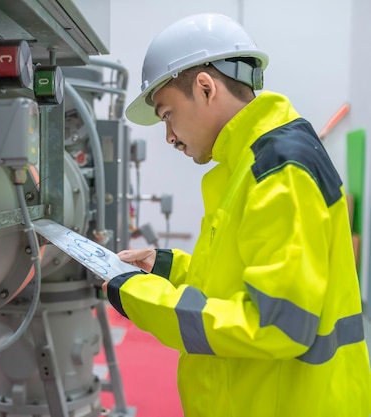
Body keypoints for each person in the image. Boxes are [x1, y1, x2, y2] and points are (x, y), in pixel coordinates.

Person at [102, 13, 371, 417]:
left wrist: (141, 297)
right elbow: (241, 279)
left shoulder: (280, 170)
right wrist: (168, 268)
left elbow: (276, 325)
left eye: (167, 114)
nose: (170, 136)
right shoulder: (250, 163)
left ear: (205, 87)